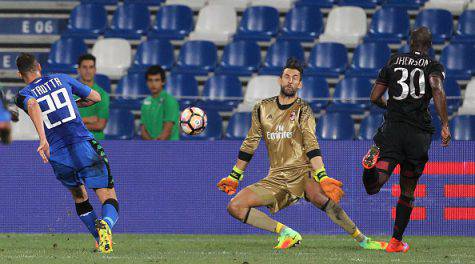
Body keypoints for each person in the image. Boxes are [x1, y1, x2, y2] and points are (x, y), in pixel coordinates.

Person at [217, 58, 387, 250]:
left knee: (324, 199)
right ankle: (286, 233)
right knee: (235, 206)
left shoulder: (303, 110)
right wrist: (235, 175)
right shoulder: (261, 109)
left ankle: (364, 240)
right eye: (287, 76)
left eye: (295, 77)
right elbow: (250, 143)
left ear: (300, 84)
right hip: (276, 178)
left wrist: (322, 175)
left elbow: (311, 143)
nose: (290, 80)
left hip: (302, 174)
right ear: (280, 80)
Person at [14, 53, 119, 253]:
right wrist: (73, 103)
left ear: (20, 74)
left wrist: (43, 139)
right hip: (83, 146)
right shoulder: (61, 78)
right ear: (39, 67)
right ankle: (105, 224)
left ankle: (100, 239)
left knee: (80, 197)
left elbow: (33, 104)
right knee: (108, 196)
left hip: (59, 155)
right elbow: (95, 97)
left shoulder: (22, 94)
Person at [361, 27, 451, 253]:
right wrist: (445, 124)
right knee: (408, 190)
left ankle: (369, 167)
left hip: (391, 130)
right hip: (418, 135)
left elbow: (374, 97)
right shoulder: (433, 66)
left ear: (410, 42)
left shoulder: (393, 61)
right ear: (429, 45)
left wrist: (389, 106)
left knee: (374, 184)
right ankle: (395, 242)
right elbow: (437, 89)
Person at [140, 65, 180, 140]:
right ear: (147, 82)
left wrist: (154, 147)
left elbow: (167, 131)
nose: (153, 84)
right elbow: (143, 130)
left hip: (170, 148)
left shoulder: (170, 101)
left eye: (157, 80)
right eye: (150, 80)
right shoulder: (145, 103)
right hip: (152, 147)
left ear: (163, 82)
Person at [77, 54, 110, 140]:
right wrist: (88, 119)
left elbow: (100, 125)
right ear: (79, 69)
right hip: (75, 141)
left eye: (91, 67)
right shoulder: (69, 92)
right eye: (84, 67)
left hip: (96, 141)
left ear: (95, 70)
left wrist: (76, 125)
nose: (88, 71)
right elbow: (65, 121)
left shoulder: (102, 94)